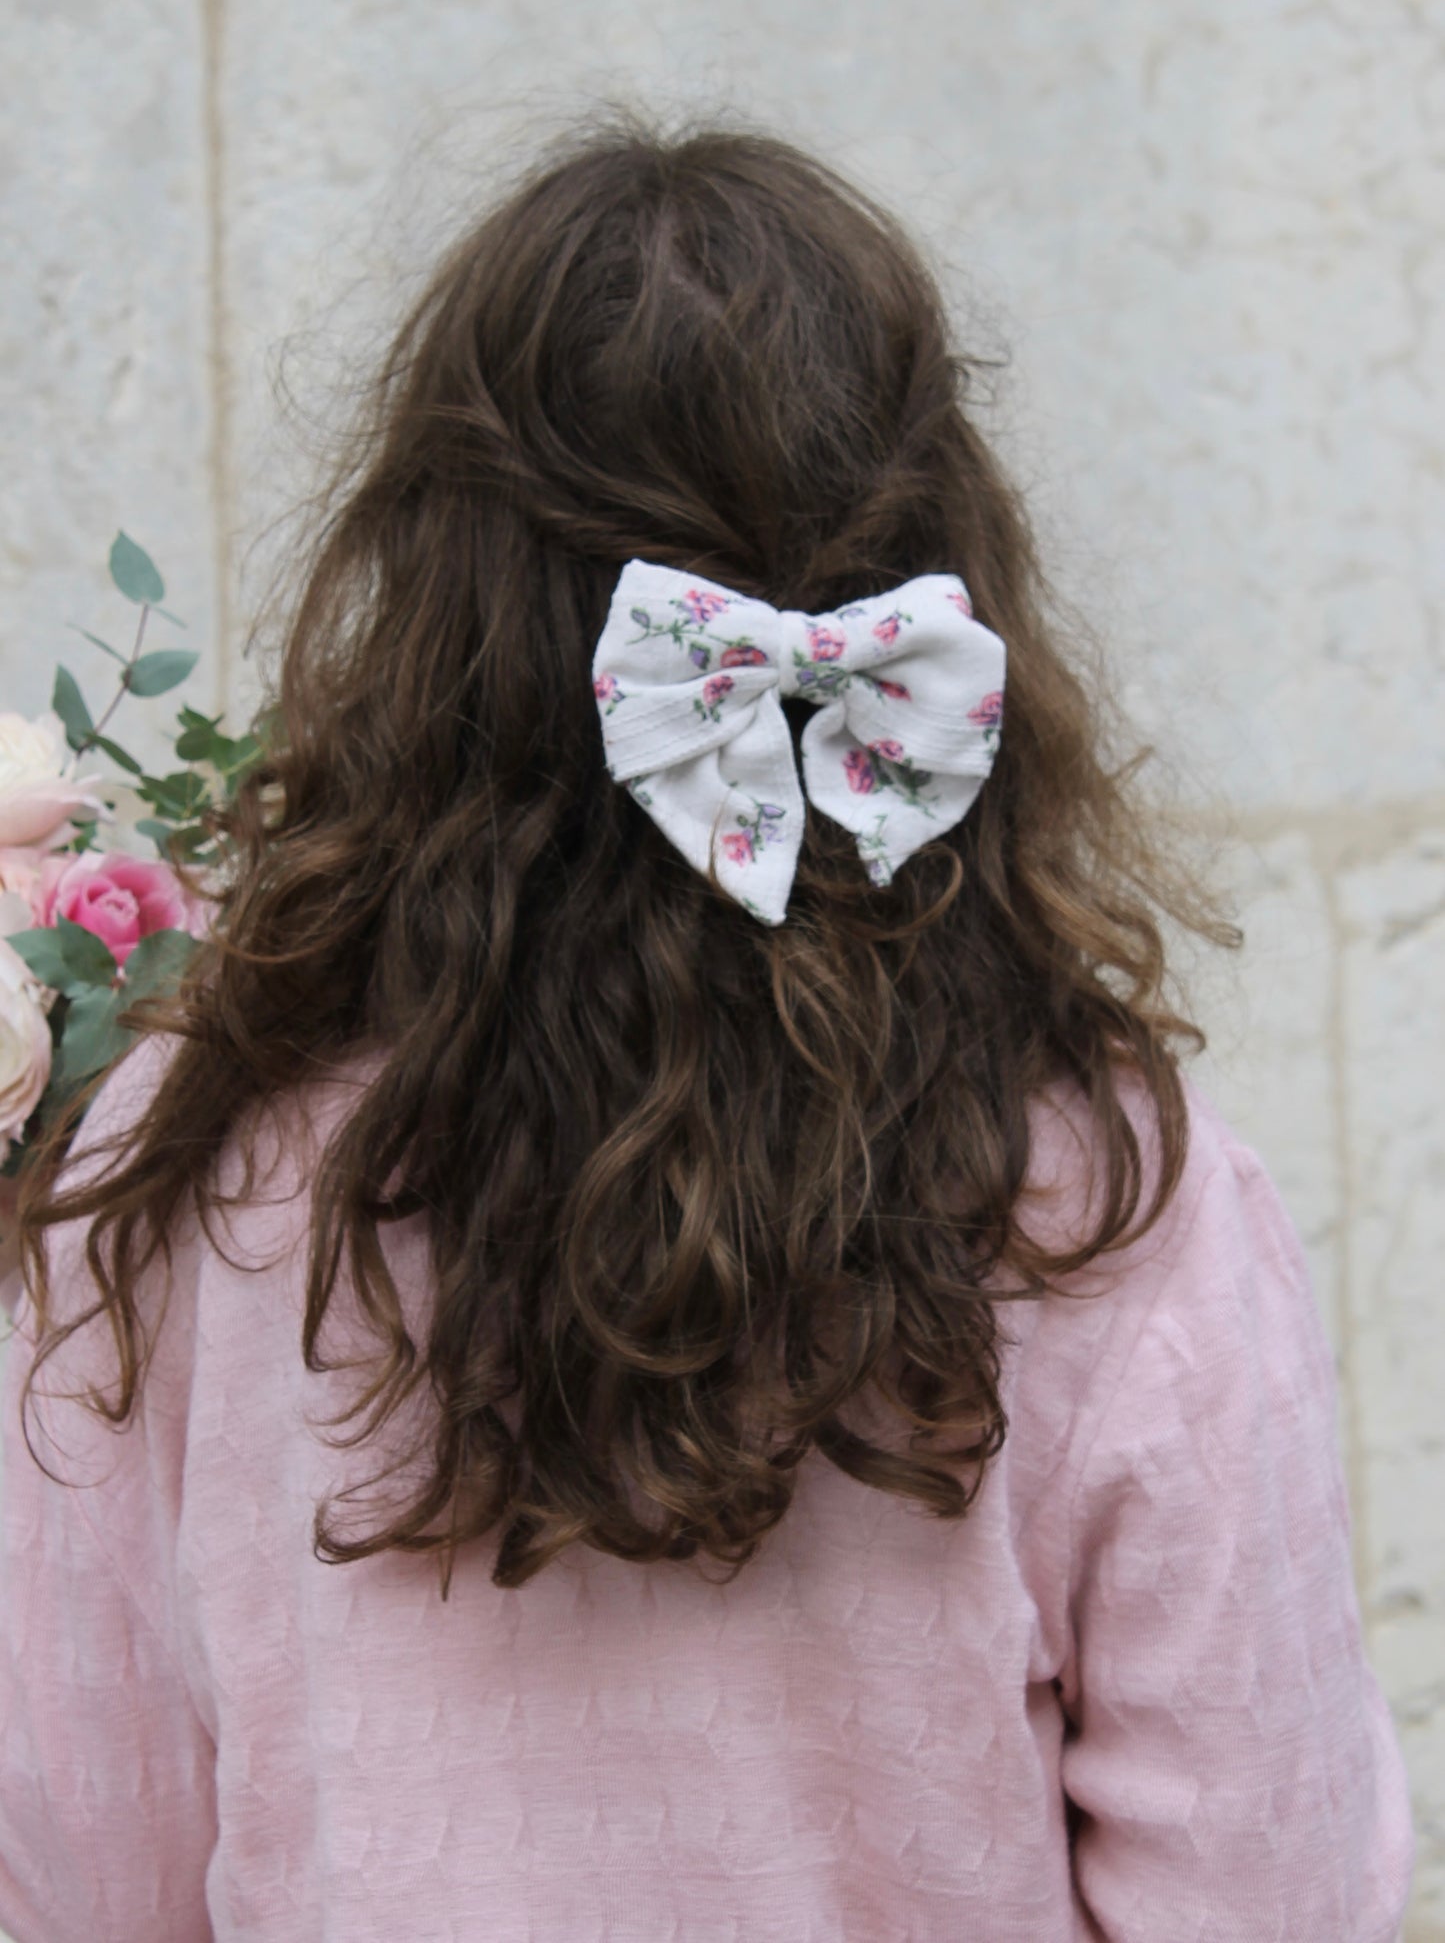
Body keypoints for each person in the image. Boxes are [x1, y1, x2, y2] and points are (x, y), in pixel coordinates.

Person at [0, 123, 1415, 1941]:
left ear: (427, 598)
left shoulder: (166, 1173)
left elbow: (74, 1873)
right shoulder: (1115, 1202)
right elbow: (1267, 1890)